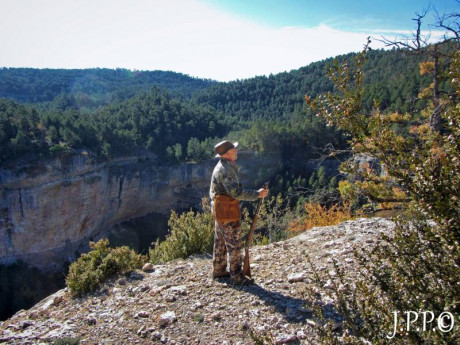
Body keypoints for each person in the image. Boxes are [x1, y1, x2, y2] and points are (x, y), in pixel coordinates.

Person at [209, 140, 269, 285]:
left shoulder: (223, 166)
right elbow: (236, 192)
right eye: (234, 150)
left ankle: (219, 270)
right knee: (234, 243)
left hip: (219, 209)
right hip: (226, 211)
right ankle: (237, 276)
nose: (237, 151)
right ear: (228, 153)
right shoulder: (226, 170)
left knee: (221, 241)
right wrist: (257, 194)